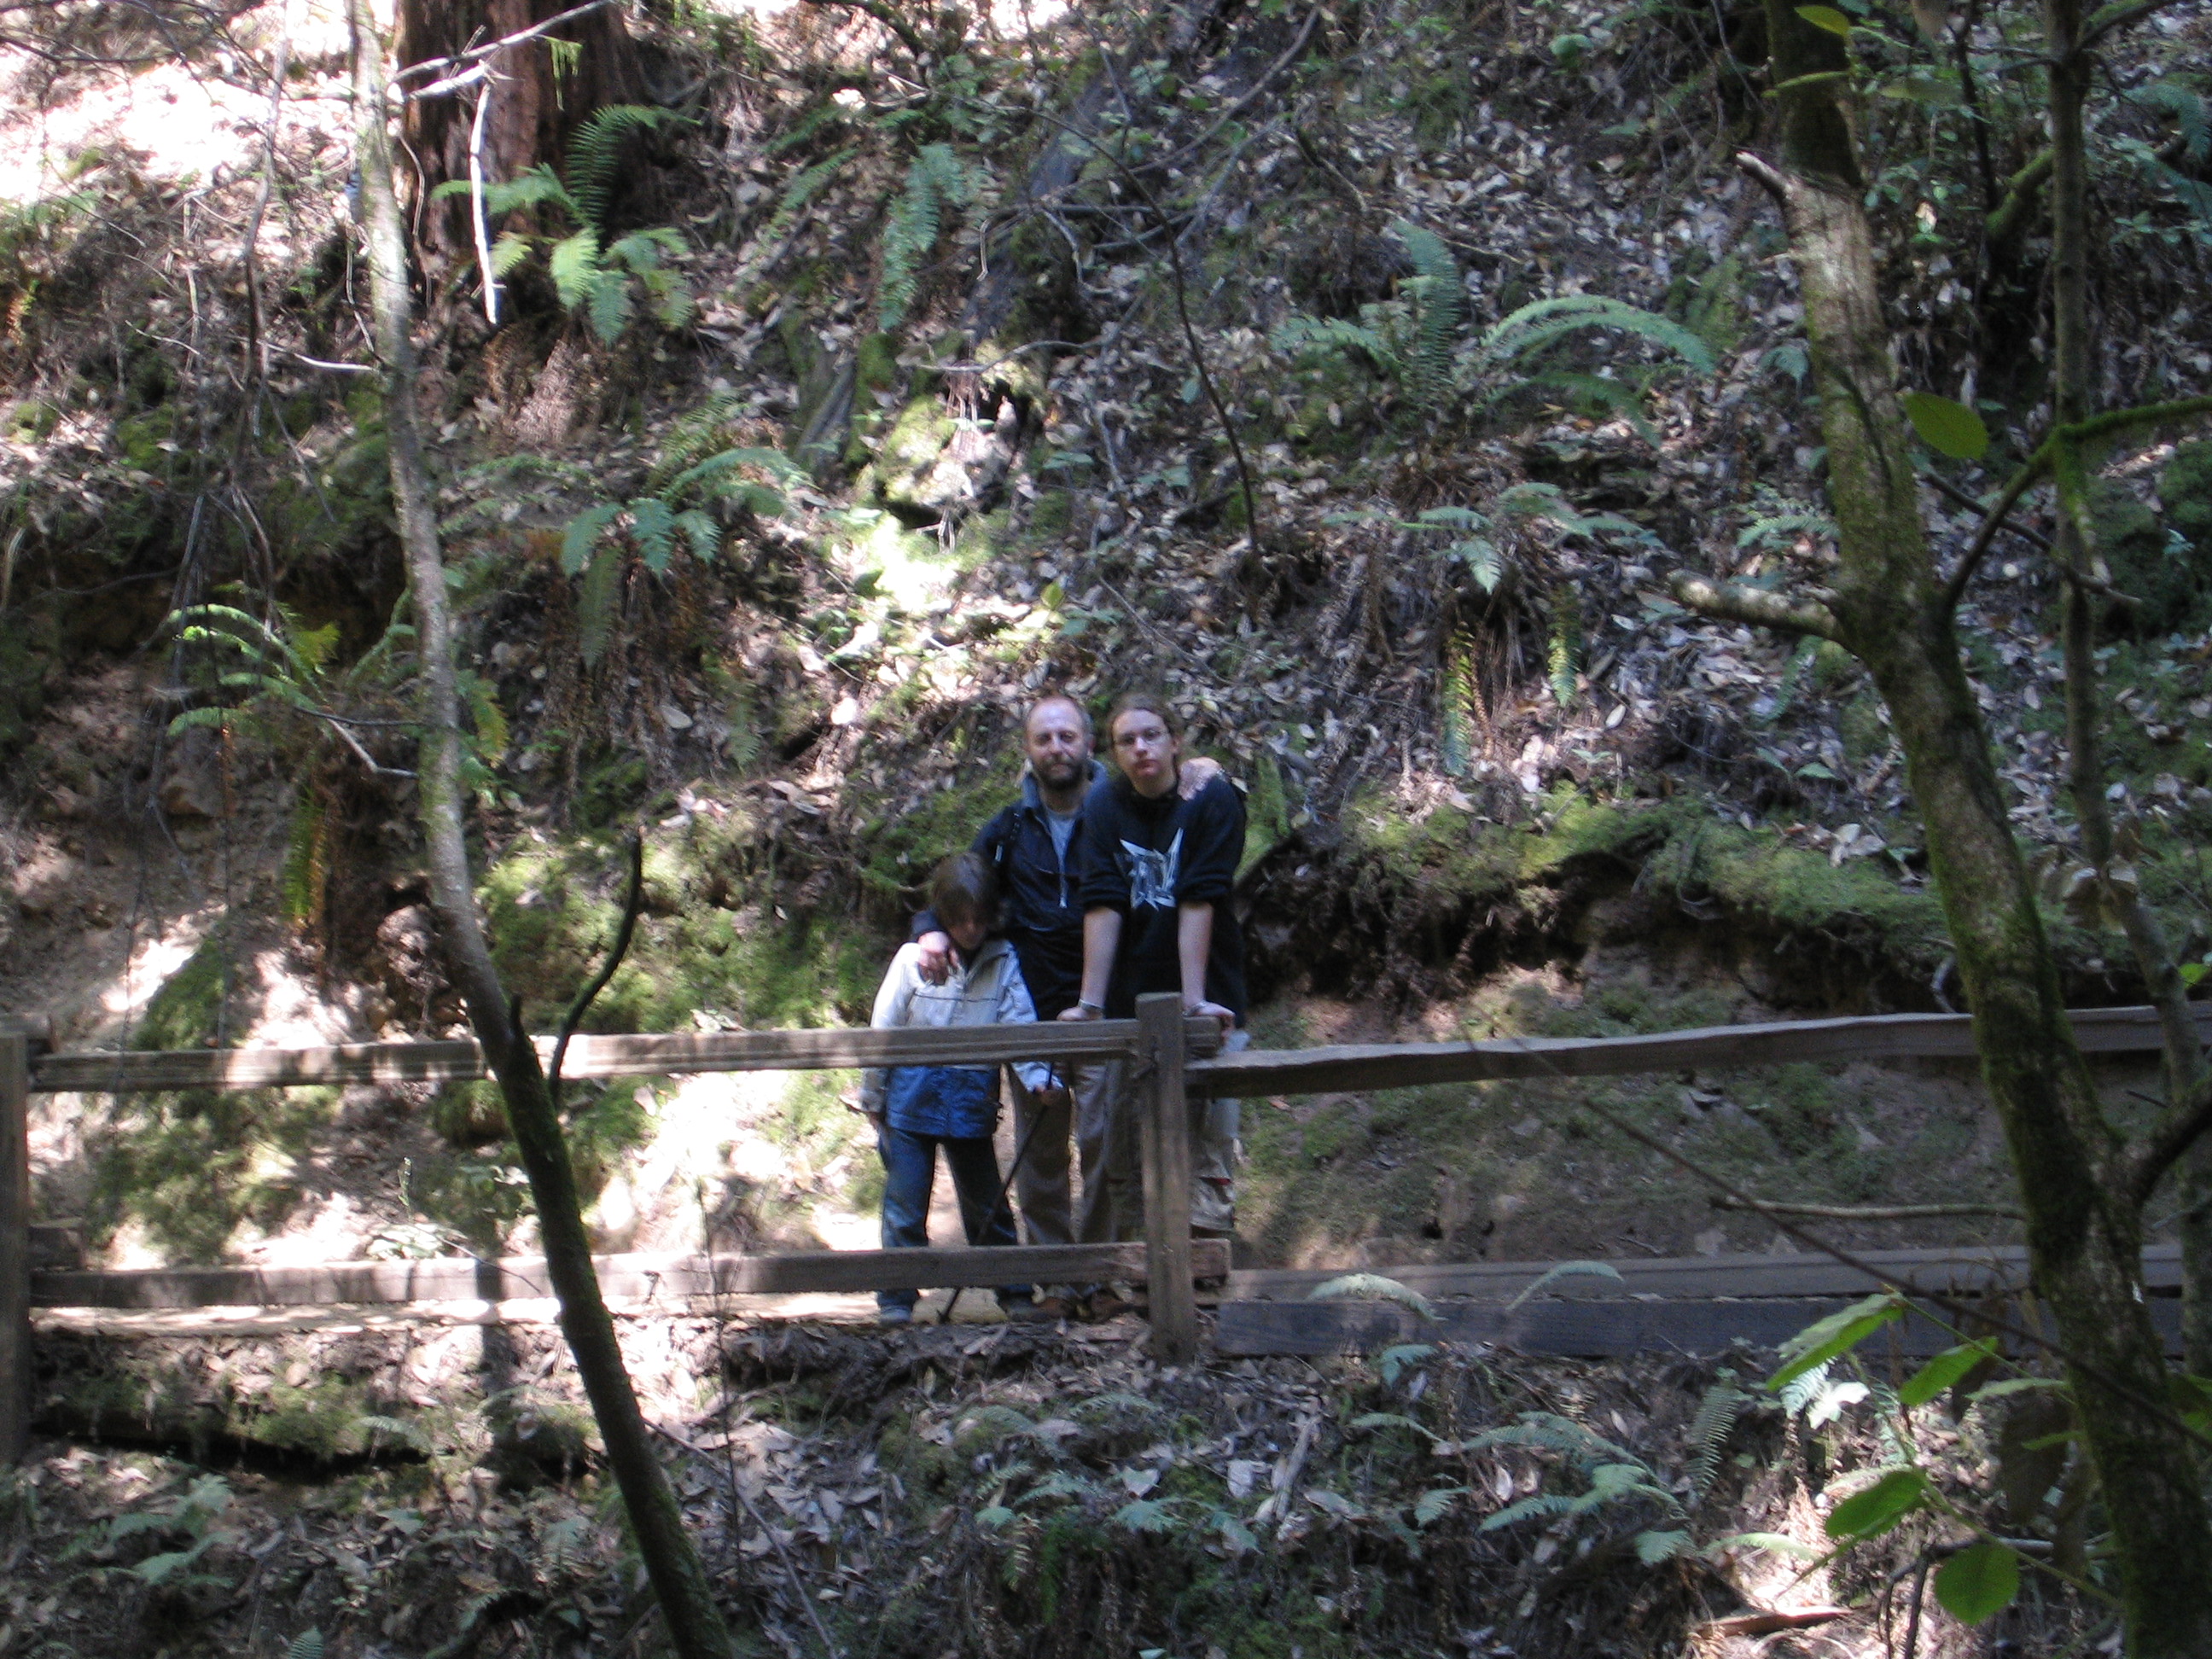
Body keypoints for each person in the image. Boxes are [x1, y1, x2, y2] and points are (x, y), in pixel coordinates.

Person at [911, 695, 1218, 1316]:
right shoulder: (1009, 829)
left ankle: (1100, 1276)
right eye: (1044, 738)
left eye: (1067, 736)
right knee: (1041, 1153)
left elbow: (1181, 832)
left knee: (1105, 1147)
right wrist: (930, 931)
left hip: (1108, 1010)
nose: (1056, 748)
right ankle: (1055, 1280)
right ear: (1028, 750)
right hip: (1031, 1012)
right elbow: (960, 888)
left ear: (1088, 744)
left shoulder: (1121, 812)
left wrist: (1210, 770)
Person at [1059, 690, 1250, 1250]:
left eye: (1151, 735)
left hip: (1212, 990)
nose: (1141, 748)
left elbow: (1200, 895)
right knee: (1129, 1142)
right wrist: (1090, 1004)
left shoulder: (1211, 798)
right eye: (1127, 740)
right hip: (1133, 1000)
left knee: (1210, 1138)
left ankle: (1207, 1271)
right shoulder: (1103, 805)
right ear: (1112, 752)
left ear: (1175, 742)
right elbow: (1103, 902)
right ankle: (1144, 1275)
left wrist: (1194, 1003)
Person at [859, 853, 1047, 1324]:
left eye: (979, 919)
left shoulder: (1002, 961)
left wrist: (1038, 1076)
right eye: (960, 919)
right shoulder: (912, 961)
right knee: (905, 1203)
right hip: (911, 1095)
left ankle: (1013, 1291)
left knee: (986, 1203)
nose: (970, 929)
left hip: (970, 1096)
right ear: (943, 914)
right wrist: (873, 1096)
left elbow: (1020, 1025)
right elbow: (884, 1029)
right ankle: (897, 1300)